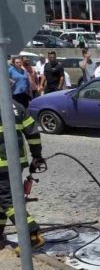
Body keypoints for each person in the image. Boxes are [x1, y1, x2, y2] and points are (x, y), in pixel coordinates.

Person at [0, 99, 46, 252]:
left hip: (1, 164)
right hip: (16, 162)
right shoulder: (16, 105)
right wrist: (37, 155)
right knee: (3, 200)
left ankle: (32, 234)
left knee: (7, 200)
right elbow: (32, 132)